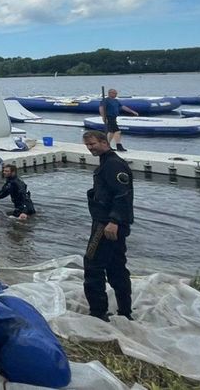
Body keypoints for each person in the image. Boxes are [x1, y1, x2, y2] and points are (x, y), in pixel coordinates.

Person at [81, 130, 134, 322]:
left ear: (104, 142)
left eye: (93, 144)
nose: (90, 148)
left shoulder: (113, 164)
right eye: (87, 145)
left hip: (107, 225)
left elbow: (122, 194)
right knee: (116, 266)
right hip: (108, 222)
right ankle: (125, 311)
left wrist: (114, 221)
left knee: (92, 264)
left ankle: (98, 312)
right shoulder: (106, 163)